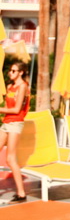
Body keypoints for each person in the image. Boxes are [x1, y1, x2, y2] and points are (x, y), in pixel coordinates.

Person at [0, 61, 29, 202]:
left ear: (21, 72)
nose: (10, 73)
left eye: (13, 71)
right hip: (6, 122)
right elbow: (7, 107)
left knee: (10, 159)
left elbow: (17, 110)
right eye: (10, 70)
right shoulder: (10, 87)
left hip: (15, 123)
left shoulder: (23, 87)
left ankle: (21, 194)